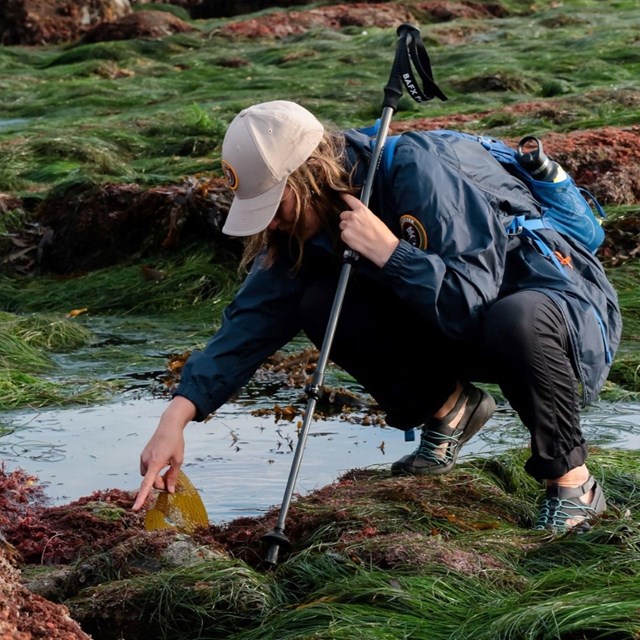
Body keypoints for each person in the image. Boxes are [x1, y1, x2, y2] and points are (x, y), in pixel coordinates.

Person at [132, 100, 622, 532]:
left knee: (514, 318)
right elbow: (250, 321)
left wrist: (392, 253)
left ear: (305, 174)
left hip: (553, 310)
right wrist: (176, 417)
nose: (269, 220)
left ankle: (573, 483)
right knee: (319, 300)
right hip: (463, 320)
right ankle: (451, 409)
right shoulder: (305, 224)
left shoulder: (416, 170)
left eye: (272, 203)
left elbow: (471, 301)